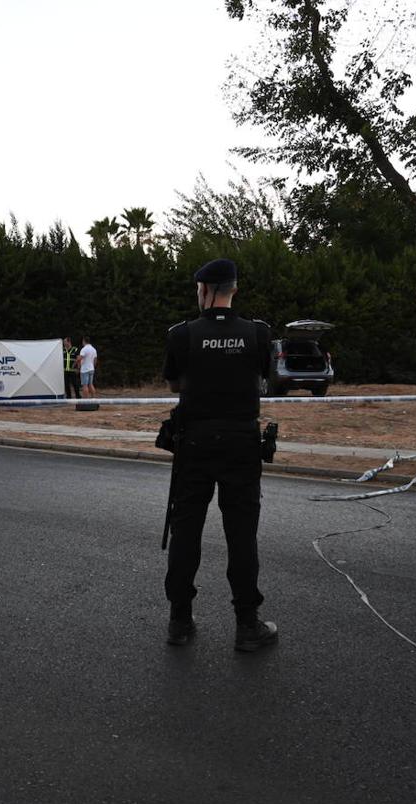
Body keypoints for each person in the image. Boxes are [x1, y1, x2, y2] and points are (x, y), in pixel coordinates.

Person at [161, 258, 276, 651]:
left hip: (194, 444)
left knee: (186, 532)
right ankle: (247, 625)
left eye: (197, 290)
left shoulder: (181, 334)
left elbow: (176, 382)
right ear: (234, 290)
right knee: (241, 536)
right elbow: (265, 378)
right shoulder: (258, 333)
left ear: (205, 290)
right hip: (242, 444)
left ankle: (179, 620)